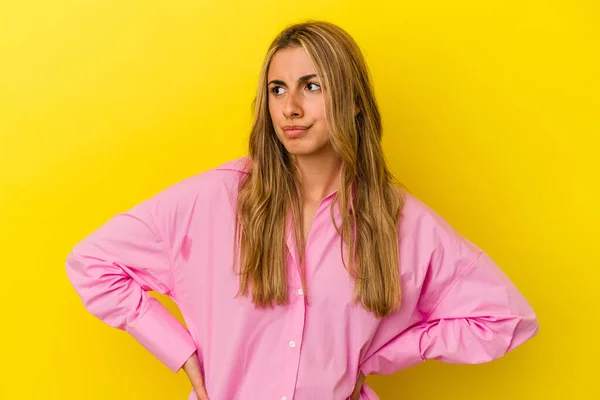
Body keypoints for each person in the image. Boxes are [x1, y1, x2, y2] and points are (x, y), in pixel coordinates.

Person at [65, 21, 539, 400]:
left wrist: (380, 357)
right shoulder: (210, 202)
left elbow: (505, 319)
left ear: (353, 101)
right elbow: (92, 262)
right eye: (277, 89)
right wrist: (179, 351)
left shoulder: (401, 223)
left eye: (311, 86)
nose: (289, 107)